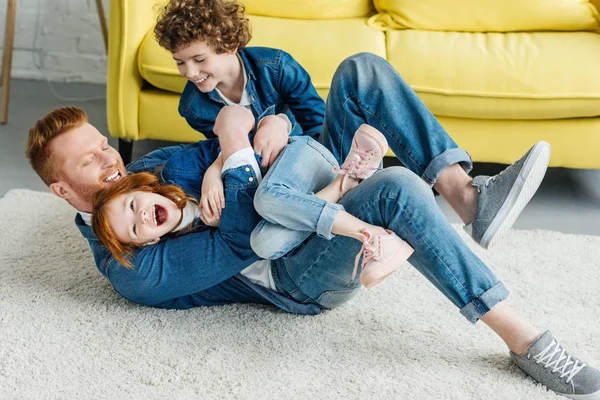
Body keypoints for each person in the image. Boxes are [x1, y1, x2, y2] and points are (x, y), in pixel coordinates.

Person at [26, 52, 600, 398]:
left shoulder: (143, 172)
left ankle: (467, 197)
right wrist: (231, 149)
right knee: (394, 190)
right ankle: (525, 339)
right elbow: (237, 232)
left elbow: (235, 128)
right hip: (292, 270)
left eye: (103, 144)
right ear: (61, 190)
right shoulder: (130, 266)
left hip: (288, 187)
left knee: (362, 74)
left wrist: (260, 129)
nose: (111, 161)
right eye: (90, 162)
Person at [152, 0, 547, 250]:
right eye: (180, 62)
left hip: (317, 156)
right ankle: (354, 189)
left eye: (199, 59)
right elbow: (229, 150)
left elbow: (318, 124)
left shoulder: (275, 65)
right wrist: (215, 172)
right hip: (274, 186)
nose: (190, 72)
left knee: (362, 67)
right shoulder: (195, 105)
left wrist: (283, 122)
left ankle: (465, 196)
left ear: (229, 44)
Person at [91, 122, 414, 288]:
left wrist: (214, 175)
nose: (143, 216)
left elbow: (235, 133)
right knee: (265, 241)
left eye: (134, 205)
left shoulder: (177, 172)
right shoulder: (192, 238)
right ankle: (347, 182)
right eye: (135, 227)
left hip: (298, 159)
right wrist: (220, 220)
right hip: (311, 193)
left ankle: (372, 234)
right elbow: (244, 237)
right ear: (149, 242)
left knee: (267, 198)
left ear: (144, 189)